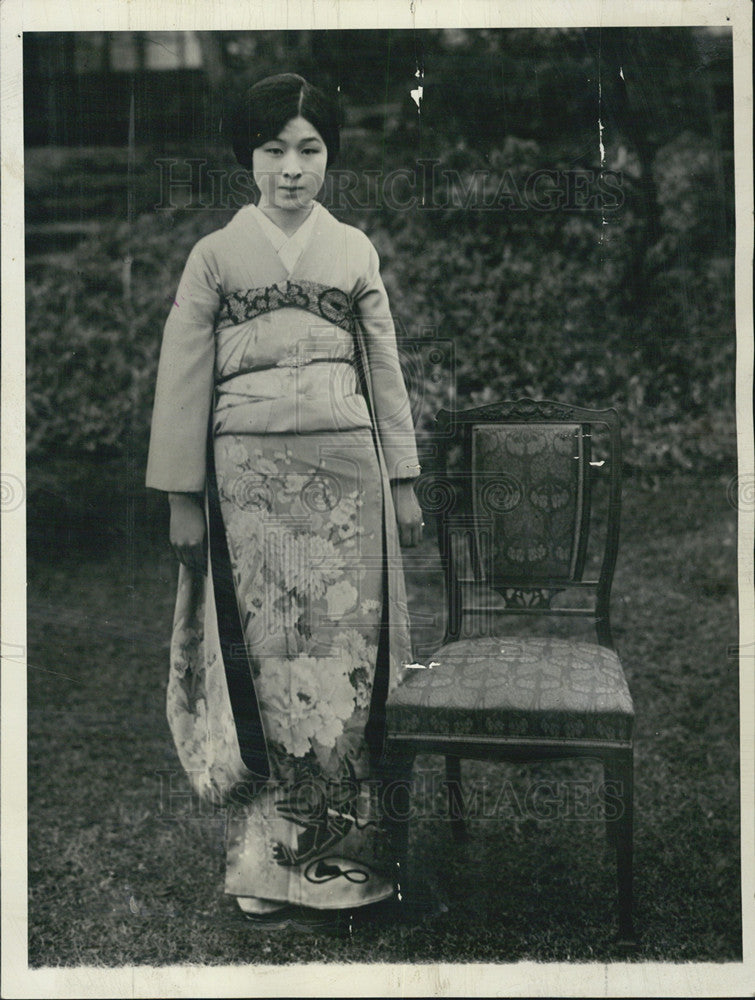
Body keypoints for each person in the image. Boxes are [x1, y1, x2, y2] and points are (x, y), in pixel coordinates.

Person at [145, 73, 423, 932]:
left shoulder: (354, 251)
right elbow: (184, 377)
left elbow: (382, 369)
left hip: (347, 480)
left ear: (329, 156)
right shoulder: (216, 257)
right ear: (248, 158)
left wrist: (403, 482)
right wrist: (181, 498)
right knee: (262, 664)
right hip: (247, 486)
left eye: (309, 149)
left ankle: (345, 863)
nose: (291, 169)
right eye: (273, 150)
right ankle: (263, 868)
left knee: (346, 661)